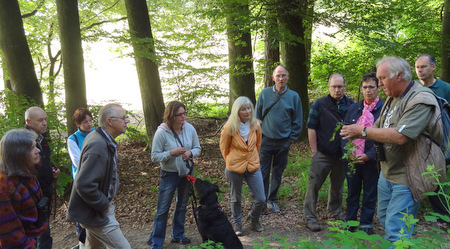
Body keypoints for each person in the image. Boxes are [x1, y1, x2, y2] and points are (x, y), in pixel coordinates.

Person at [340, 56, 444, 242]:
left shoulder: (420, 99)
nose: (379, 84)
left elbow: (400, 136)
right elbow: (379, 127)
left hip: (408, 177)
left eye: (382, 79)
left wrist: (361, 131)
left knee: (396, 230)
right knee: (386, 219)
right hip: (387, 174)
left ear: (399, 77)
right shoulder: (392, 98)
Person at [67, 103, 131, 249]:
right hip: (96, 213)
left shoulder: (100, 138)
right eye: (123, 118)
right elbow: (84, 184)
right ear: (110, 121)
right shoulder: (98, 145)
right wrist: (103, 204)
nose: (126, 121)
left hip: (94, 211)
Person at [303, 73, 354, 232]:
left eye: (340, 87)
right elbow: (311, 127)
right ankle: (309, 217)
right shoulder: (319, 104)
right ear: (329, 87)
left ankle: (334, 212)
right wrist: (314, 151)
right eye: (334, 87)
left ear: (344, 87)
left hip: (342, 154)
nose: (337, 90)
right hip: (322, 153)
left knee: (337, 186)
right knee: (314, 185)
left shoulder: (351, 104)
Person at [147, 101, 201, 249]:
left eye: (185, 113)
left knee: (182, 205)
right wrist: (171, 153)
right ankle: (156, 241)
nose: (183, 117)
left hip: (186, 172)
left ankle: (177, 235)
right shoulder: (162, 133)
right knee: (163, 208)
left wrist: (190, 153)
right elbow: (154, 157)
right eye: (179, 114)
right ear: (171, 116)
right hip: (169, 174)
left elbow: (198, 148)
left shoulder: (189, 128)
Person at [255, 65, 303, 213]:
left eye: (283, 76)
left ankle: (272, 200)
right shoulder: (264, 94)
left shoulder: (294, 96)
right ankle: (261, 202)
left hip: (283, 142)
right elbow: (257, 117)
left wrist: (291, 139)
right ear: (273, 78)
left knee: (277, 172)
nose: (281, 79)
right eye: (278, 76)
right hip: (266, 141)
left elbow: (298, 120)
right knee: (263, 172)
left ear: (288, 77)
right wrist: (258, 137)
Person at [341, 72, 384, 235]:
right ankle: (350, 221)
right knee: (352, 192)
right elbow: (344, 133)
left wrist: (369, 155)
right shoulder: (354, 108)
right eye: (365, 87)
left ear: (378, 88)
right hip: (352, 160)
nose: (368, 91)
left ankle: (366, 223)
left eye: (371, 87)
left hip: (372, 160)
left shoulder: (384, 109)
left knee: (370, 192)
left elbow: (385, 137)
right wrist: (349, 153)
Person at [220, 96, 266, 235]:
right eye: (243, 109)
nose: (247, 112)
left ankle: (254, 219)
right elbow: (224, 148)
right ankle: (237, 224)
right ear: (237, 112)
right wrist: (231, 160)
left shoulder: (256, 125)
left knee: (261, 199)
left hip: (253, 165)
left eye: (249, 108)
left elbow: (257, 145)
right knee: (236, 198)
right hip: (234, 167)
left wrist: (251, 158)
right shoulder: (229, 128)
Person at [415, 54, 450, 226]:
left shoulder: (445, 89)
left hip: (443, 144)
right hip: (418, 144)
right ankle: (412, 220)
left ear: (434, 67)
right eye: (417, 67)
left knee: (438, 180)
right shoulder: (413, 89)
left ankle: (444, 218)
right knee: (422, 178)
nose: (420, 70)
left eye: (424, 66)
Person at [0, 128, 49, 248]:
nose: (38, 150)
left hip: (32, 237)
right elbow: (11, 237)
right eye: (32, 147)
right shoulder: (5, 187)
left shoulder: (27, 171)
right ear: (19, 153)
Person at [25, 106, 60, 249]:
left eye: (45, 119)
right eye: (40, 120)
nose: (45, 123)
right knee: (40, 234)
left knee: (44, 231)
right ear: (28, 122)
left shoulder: (42, 139)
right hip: (31, 197)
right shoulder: (23, 143)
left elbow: (44, 160)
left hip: (45, 191)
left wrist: (52, 169)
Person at [67, 108, 95, 249]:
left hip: (97, 179)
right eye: (85, 122)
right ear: (78, 123)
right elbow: (77, 160)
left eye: (90, 121)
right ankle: (81, 242)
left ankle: (92, 240)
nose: (89, 124)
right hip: (81, 179)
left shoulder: (97, 133)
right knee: (82, 211)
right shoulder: (73, 139)